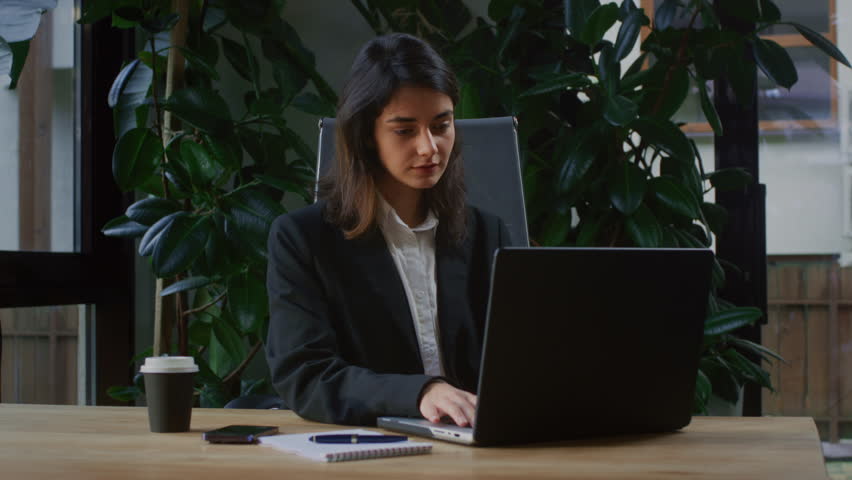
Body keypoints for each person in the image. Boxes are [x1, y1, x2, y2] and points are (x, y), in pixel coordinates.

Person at [265, 33, 511, 427]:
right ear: (366, 136)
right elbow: (306, 376)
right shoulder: (302, 239)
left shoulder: (488, 233)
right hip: (371, 446)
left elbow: (514, 365)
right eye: (405, 130)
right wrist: (421, 392)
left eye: (441, 125)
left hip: (478, 446)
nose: (430, 147)